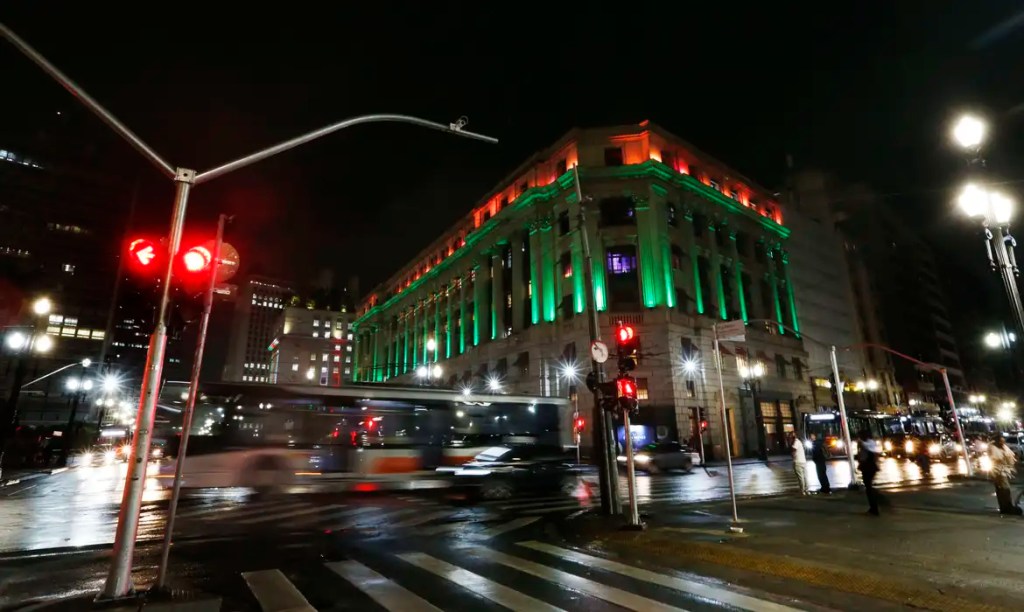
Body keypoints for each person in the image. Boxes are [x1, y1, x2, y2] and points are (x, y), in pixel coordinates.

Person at [989, 434, 1022, 516]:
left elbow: (1010, 456)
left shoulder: (1003, 446)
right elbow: (996, 457)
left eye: (1003, 440)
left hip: (1004, 470)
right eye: (1001, 440)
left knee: (1004, 489)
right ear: (997, 440)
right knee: (1003, 489)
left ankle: (1006, 506)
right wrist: (1005, 457)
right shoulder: (993, 447)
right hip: (998, 471)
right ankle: (1006, 507)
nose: (1003, 441)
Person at [857, 430, 882, 515]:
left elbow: (864, 453)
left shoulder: (868, 444)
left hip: (868, 467)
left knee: (869, 488)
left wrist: (860, 445)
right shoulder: (869, 443)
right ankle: (873, 508)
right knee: (868, 486)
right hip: (870, 467)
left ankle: (874, 509)